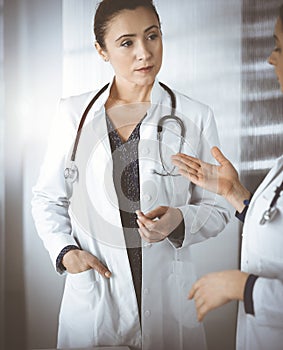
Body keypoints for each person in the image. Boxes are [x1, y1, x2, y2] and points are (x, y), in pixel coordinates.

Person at [31, 1, 229, 349]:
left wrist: (180, 221)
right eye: (127, 42)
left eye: (152, 36)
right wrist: (64, 252)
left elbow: (220, 207)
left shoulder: (195, 116)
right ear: (101, 50)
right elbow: (47, 198)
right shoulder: (73, 115)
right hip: (97, 298)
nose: (144, 52)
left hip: (168, 299)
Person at [171, 5, 283, 350]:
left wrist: (241, 287)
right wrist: (234, 193)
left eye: (278, 46)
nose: (270, 59)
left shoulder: (196, 113)